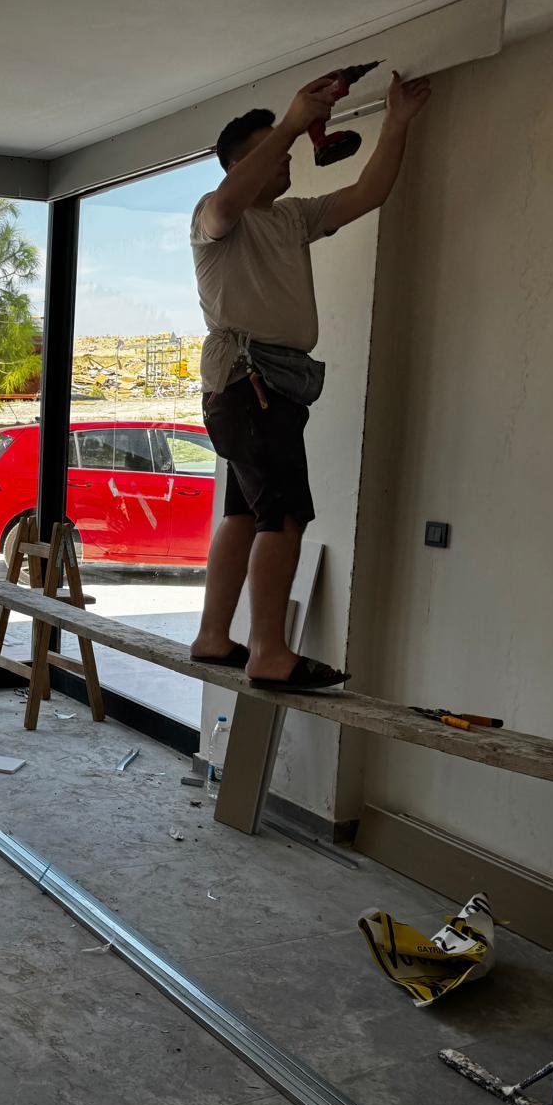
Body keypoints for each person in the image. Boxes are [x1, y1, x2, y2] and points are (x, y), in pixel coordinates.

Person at [187, 71, 430, 690]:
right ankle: (269, 652)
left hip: (265, 388)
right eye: (275, 151)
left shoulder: (292, 218)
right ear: (241, 165)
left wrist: (397, 122)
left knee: (246, 514)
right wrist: (293, 121)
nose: (288, 158)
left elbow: (369, 193)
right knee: (285, 516)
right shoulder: (216, 216)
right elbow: (225, 204)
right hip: (251, 385)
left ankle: (214, 637)